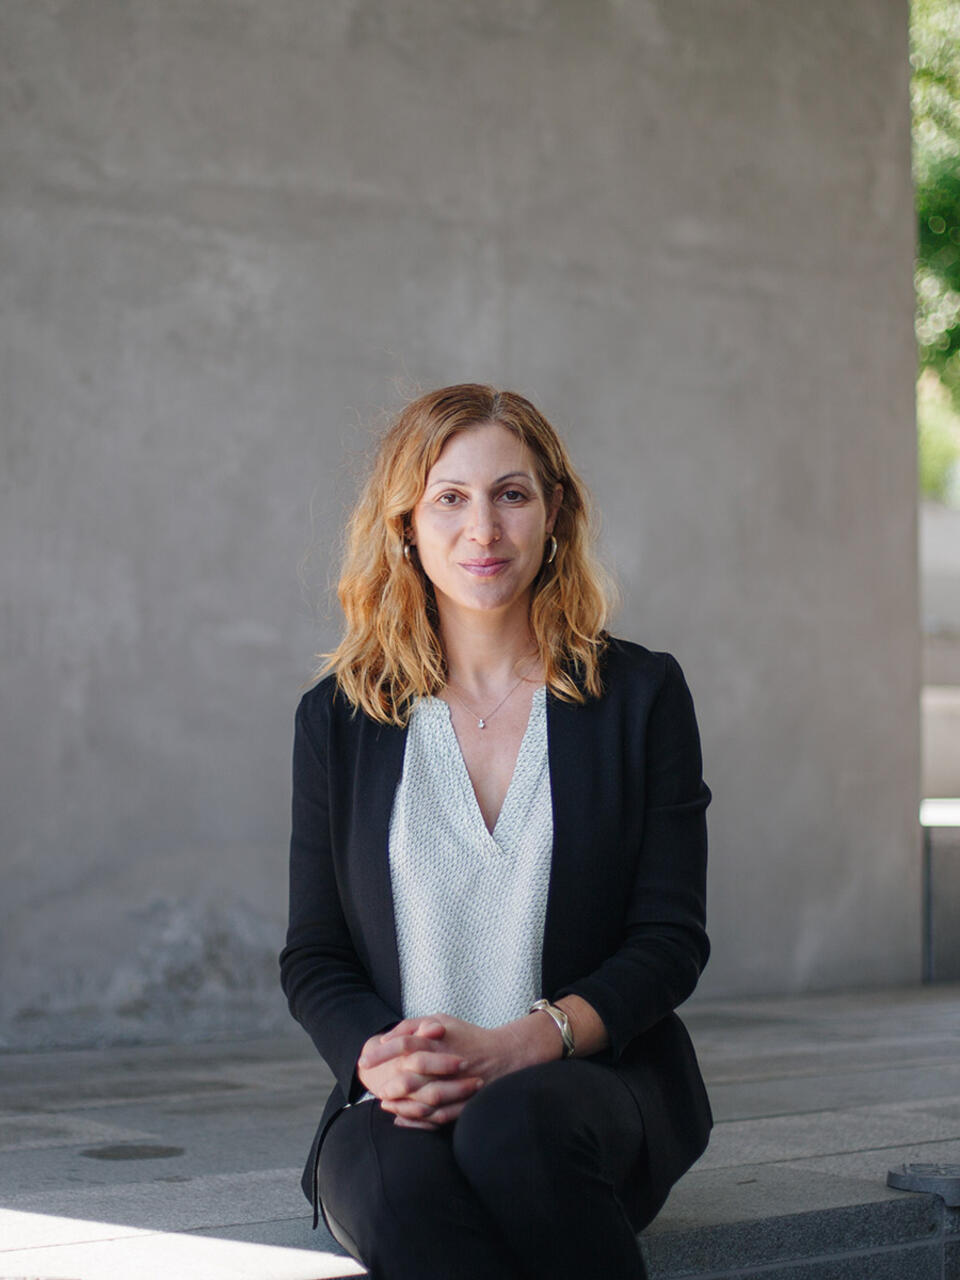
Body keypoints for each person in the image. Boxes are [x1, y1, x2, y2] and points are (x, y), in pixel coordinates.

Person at [279, 383, 712, 1280]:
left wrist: (520, 1045)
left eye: (512, 494)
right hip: (406, 1100)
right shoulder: (340, 719)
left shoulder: (640, 696)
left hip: (584, 1088)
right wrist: (380, 1060)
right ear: (405, 522)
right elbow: (315, 955)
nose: (484, 529)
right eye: (450, 497)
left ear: (555, 513)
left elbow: (668, 942)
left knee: (510, 1129)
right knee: (398, 1185)